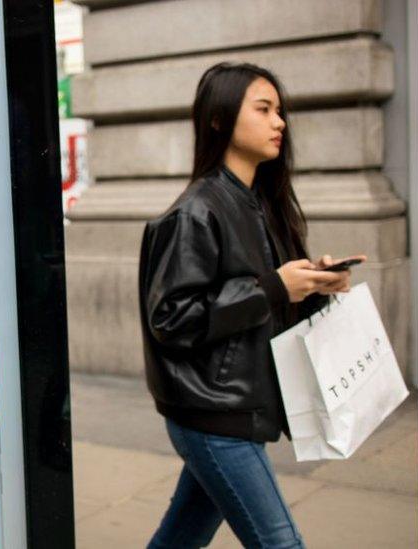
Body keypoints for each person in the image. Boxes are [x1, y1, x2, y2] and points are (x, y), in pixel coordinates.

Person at [139, 62, 368, 549]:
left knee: (180, 538)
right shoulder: (195, 211)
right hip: (213, 413)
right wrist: (272, 287)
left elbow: (263, 303)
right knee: (281, 543)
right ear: (220, 119)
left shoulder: (259, 204)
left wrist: (309, 286)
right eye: (263, 109)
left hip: (229, 406)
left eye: (279, 111)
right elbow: (171, 319)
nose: (279, 122)